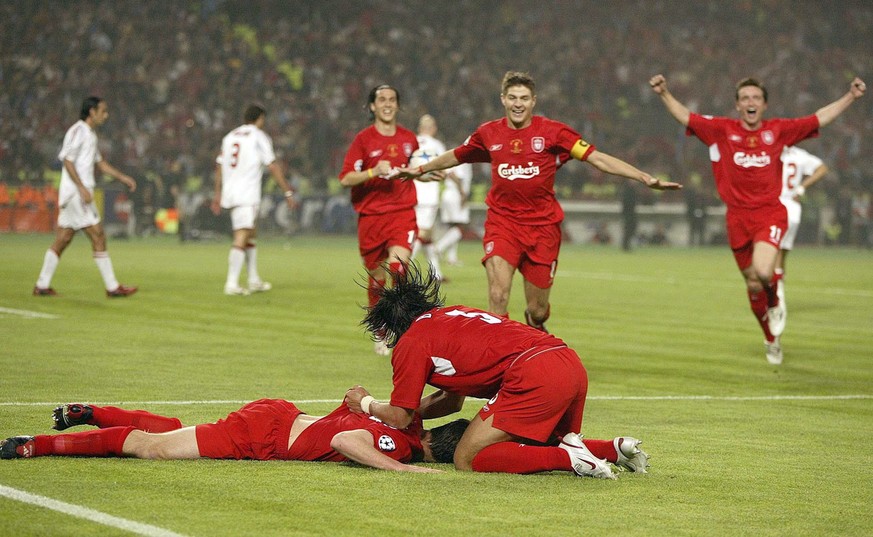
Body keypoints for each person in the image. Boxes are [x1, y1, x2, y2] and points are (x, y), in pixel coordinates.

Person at [397, 71, 680, 332]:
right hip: (502, 224)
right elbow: (457, 154)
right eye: (512, 98)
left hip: (542, 229)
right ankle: (498, 365)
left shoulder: (554, 133)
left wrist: (643, 177)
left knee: (538, 308)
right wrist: (420, 169)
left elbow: (597, 157)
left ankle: (535, 323)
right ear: (503, 100)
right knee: (497, 295)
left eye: (523, 98)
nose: (517, 104)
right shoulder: (489, 133)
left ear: (534, 101)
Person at [344, 263, 649, 479]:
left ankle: (570, 458)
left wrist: (367, 404)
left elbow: (400, 417)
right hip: (567, 361)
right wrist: (410, 410)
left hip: (534, 372)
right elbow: (452, 401)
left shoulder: (412, 342)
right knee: (530, 444)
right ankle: (615, 449)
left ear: (390, 326)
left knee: (468, 457)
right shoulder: (453, 314)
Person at [649, 74, 866, 365]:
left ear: (765, 105)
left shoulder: (778, 131)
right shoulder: (721, 130)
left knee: (764, 272)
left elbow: (818, 118)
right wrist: (664, 93)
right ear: (737, 105)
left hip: (770, 213)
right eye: (745, 98)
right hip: (737, 218)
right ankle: (770, 338)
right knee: (752, 284)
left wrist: (850, 96)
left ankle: (775, 302)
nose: (751, 102)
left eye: (756, 98)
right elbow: (686, 117)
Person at [1, 399, 468, 473]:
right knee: (155, 449)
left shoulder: (405, 419)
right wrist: (401, 469)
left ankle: (94, 412)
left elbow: (443, 398)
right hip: (265, 436)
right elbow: (347, 443)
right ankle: (38, 444)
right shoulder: (404, 443)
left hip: (278, 414)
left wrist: (364, 401)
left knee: (180, 432)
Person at [338, 85, 419, 356]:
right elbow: (346, 178)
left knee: (398, 268)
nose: (387, 104)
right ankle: (381, 328)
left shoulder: (410, 139)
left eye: (392, 100)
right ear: (372, 106)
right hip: (371, 217)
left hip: (402, 213)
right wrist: (373, 170)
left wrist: (428, 173)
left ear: (398, 105)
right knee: (377, 279)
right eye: (381, 100)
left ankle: (403, 327)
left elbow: (418, 170)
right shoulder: (363, 140)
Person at [33, 96, 138, 298]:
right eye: (103, 111)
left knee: (63, 239)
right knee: (98, 235)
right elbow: (67, 160)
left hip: (74, 194)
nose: (105, 115)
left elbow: (100, 163)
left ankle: (42, 285)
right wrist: (81, 187)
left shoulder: (90, 134)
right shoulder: (78, 131)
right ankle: (112, 287)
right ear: (92, 111)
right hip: (76, 194)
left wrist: (123, 177)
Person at [211, 104, 297, 296]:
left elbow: (219, 166)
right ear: (260, 119)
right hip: (246, 193)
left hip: (231, 192)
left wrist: (217, 193)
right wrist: (287, 191)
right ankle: (231, 283)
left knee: (250, 233)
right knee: (242, 235)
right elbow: (272, 166)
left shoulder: (230, 136)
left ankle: (253, 279)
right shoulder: (259, 136)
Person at [774, 146, 829, 313]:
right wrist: (802, 187)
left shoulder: (769, 150)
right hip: (793, 208)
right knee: (781, 253)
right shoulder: (799, 154)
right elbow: (822, 168)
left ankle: (777, 297)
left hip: (776, 205)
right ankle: (778, 291)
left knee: (772, 250)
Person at [410, 114, 447, 281]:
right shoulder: (437, 145)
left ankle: (436, 273)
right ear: (434, 129)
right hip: (429, 196)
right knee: (422, 233)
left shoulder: (412, 142)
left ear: (419, 128)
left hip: (414, 193)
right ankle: (403, 269)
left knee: (427, 235)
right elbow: (445, 171)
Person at [435, 160, 474, 267]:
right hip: (455, 194)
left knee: (453, 227)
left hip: (449, 194)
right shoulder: (464, 161)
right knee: (462, 226)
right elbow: (454, 175)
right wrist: (462, 192)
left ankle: (451, 258)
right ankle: (438, 248)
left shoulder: (455, 159)